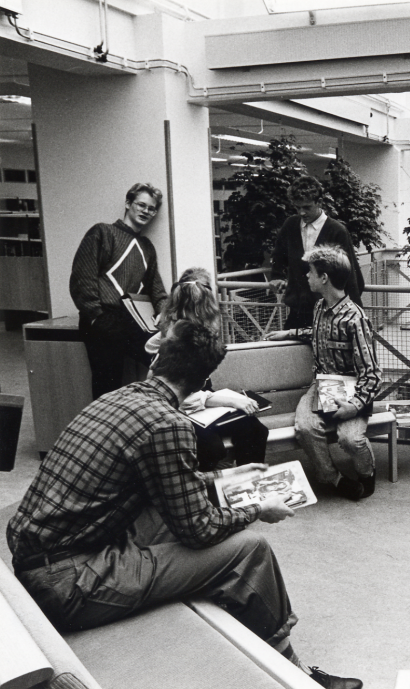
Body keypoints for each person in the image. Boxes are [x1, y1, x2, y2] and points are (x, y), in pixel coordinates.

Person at [6, 320, 361, 689]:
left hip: (41, 561)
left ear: (156, 359)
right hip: (70, 584)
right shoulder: (169, 424)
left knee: (193, 513)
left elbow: (169, 484)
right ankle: (297, 673)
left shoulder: (116, 398)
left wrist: (226, 478)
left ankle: (239, 617)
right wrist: (259, 510)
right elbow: (199, 530)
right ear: (202, 381)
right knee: (251, 549)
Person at [265, 246, 381, 500]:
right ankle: (333, 478)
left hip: (351, 389)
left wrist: (354, 405)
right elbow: (318, 333)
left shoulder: (355, 318)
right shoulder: (320, 306)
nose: (307, 276)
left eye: (311, 272)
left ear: (324, 278)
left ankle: (366, 473)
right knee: (306, 428)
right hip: (321, 384)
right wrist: (290, 333)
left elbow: (372, 374)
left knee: (350, 439)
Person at [146, 267, 269, 471]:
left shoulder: (184, 330)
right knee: (211, 448)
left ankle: (249, 482)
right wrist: (231, 400)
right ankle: (212, 486)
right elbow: (179, 397)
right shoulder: (177, 338)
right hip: (179, 408)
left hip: (200, 401)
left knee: (255, 430)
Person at [70, 182, 168, 400]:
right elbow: (82, 279)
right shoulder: (102, 232)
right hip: (102, 318)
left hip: (132, 321)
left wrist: (164, 312)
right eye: (141, 205)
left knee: (167, 362)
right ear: (128, 203)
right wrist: (97, 316)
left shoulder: (147, 247)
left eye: (151, 208)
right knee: (108, 384)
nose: (146, 211)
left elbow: (156, 288)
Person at [270, 175, 366, 329]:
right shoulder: (290, 225)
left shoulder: (337, 231)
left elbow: (352, 276)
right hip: (297, 309)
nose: (302, 212)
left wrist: (353, 318)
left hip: (327, 312)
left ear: (319, 202)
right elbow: (279, 254)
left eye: (307, 207)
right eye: (297, 207)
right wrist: (277, 276)